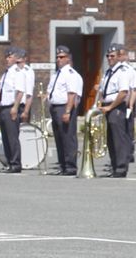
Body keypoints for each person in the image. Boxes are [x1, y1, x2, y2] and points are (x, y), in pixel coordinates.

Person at [98, 42, 134, 178]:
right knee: (111, 140)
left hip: (116, 107)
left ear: (119, 56)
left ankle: (121, 168)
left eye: (112, 56)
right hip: (108, 107)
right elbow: (103, 90)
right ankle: (114, 166)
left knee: (119, 139)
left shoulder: (122, 72)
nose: (109, 58)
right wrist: (101, 103)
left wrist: (110, 107)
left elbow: (123, 92)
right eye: (108, 56)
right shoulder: (108, 72)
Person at [48, 45, 83, 175]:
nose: (58, 59)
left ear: (68, 58)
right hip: (56, 108)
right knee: (59, 138)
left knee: (68, 138)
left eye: (61, 57)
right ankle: (62, 165)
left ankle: (70, 166)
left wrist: (68, 111)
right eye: (57, 57)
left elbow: (72, 94)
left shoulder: (70, 74)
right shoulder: (57, 74)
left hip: (65, 107)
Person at [0, 48, 25, 173]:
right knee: (5, 137)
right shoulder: (6, 73)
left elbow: (20, 92)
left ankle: (15, 163)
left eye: (10, 57)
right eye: (6, 57)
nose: (7, 59)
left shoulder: (17, 72)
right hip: (3, 107)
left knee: (12, 137)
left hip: (11, 108)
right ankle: (9, 162)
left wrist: (15, 107)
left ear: (16, 58)